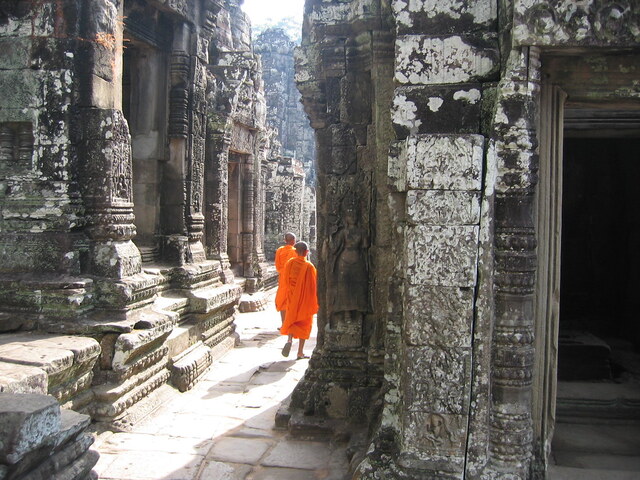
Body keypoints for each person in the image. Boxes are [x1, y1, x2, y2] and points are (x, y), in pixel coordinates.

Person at [280, 241, 318, 359]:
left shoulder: (290, 263)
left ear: (295, 252)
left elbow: (285, 281)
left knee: (292, 319)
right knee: (304, 323)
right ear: (307, 252)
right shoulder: (309, 267)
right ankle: (300, 352)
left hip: (292, 298)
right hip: (305, 300)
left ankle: (290, 340)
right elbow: (313, 286)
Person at [274, 232, 298, 325]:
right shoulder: (296, 251)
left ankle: (284, 324)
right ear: (294, 241)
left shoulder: (280, 250)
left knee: (282, 302)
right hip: (293, 280)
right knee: (291, 302)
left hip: (283, 280)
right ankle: (290, 324)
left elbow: (277, 266)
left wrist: (283, 271)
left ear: (285, 241)